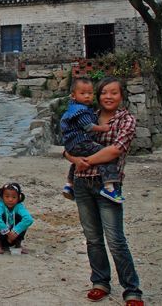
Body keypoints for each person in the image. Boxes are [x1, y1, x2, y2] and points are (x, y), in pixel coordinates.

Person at [65, 77, 144, 306]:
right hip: (82, 183)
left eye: (114, 93)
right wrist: (73, 158)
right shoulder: (86, 115)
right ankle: (100, 282)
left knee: (116, 239)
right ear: (98, 96)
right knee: (93, 238)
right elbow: (67, 146)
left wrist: (85, 160)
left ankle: (132, 290)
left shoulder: (126, 120)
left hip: (108, 185)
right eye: (104, 93)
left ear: (121, 96)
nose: (108, 97)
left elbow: (115, 150)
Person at [61, 77, 124, 203]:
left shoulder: (72, 109)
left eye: (90, 93)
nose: (87, 96)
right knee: (104, 153)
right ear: (73, 95)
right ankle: (109, 187)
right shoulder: (82, 111)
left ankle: (69, 184)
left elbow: (69, 154)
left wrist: (77, 160)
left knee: (80, 157)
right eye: (83, 93)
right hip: (80, 142)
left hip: (72, 145)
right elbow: (89, 127)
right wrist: (102, 128)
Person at [0, 182, 33, 254]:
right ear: (2, 197)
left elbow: (29, 219)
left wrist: (15, 231)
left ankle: (18, 244)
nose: (10, 200)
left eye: (14, 197)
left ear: (18, 198)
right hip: (2, 235)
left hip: (14, 236)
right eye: (7, 196)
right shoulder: (1, 205)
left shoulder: (19, 206)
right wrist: (8, 233)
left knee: (22, 218)